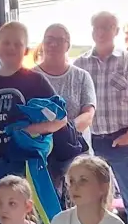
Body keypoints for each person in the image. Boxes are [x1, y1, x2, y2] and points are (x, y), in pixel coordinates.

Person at [0, 21, 63, 224]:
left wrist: (34, 129)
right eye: (6, 43)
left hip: (26, 165)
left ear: (26, 50)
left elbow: (60, 119)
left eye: (17, 44)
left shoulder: (36, 81)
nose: (11, 48)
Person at [75, 11, 128, 224]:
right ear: (92, 30)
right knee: (91, 197)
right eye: (97, 27)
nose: (102, 31)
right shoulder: (80, 64)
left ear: (116, 31)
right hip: (91, 142)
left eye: (107, 27)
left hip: (121, 140)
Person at [35, 23, 97, 203]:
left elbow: (88, 114)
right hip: (43, 153)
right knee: (48, 207)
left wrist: (64, 129)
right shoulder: (30, 77)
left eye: (59, 40)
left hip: (75, 151)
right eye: (49, 40)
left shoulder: (81, 76)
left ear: (68, 45)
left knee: (81, 204)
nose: (53, 44)